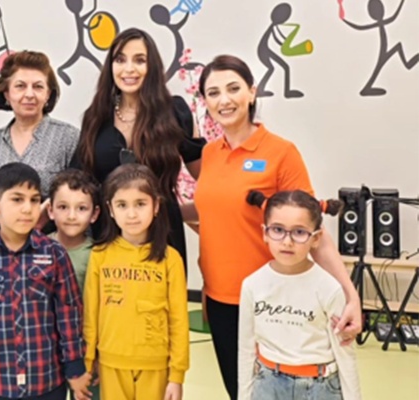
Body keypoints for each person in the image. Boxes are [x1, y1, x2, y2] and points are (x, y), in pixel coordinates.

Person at [180, 54, 361, 400]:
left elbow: (313, 230)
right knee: (239, 391)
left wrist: (350, 295)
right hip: (219, 299)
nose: (224, 100)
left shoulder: (281, 153)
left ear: (252, 92)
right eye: (213, 93)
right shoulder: (211, 154)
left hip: (274, 302)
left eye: (233, 88)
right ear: (205, 102)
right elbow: (214, 209)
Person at [0, 163, 90, 400]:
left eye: (35, 200)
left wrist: (74, 365)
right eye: (17, 199)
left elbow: (69, 312)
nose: (28, 209)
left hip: (47, 379)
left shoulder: (54, 253)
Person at [73, 28, 205, 272]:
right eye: (120, 60)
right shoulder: (96, 117)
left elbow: (207, 177)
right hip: (109, 237)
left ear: (151, 66)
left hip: (164, 236)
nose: (129, 69)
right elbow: (80, 179)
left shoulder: (175, 111)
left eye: (139, 60)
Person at [239, 190, 361, 400]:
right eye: (278, 230)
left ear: (316, 238)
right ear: (265, 233)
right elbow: (246, 349)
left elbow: (345, 353)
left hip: (320, 388)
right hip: (267, 385)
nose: (287, 241)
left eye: (299, 232)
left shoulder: (329, 288)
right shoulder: (252, 285)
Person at [83, 164, 189, 400]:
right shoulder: (100, 255)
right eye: (122, 205)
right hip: (111, 362)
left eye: (140, 204)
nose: (131, 214)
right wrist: (88, 361)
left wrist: (177, 375)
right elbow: (91, 314)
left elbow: (179, 321)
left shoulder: (171, 259)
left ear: (156, 206)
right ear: (110, 209)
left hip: (156, 365)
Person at [0, 51, 79, 233]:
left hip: (55, 244)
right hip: (0, 245)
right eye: (20, 86)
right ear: (7, 93)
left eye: (38, 87)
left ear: (48, 94)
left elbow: (81, 197)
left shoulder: (68, 137)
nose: (30, 94)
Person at [46, 169, 101, 400]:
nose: (71, 216)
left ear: (94, 214)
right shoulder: (38, 249)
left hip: (86, 352)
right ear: (50, 210)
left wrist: (96, 355)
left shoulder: (98, 255)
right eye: (63, 207)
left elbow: (102, 311)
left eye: (81, 208)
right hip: (47, 353)